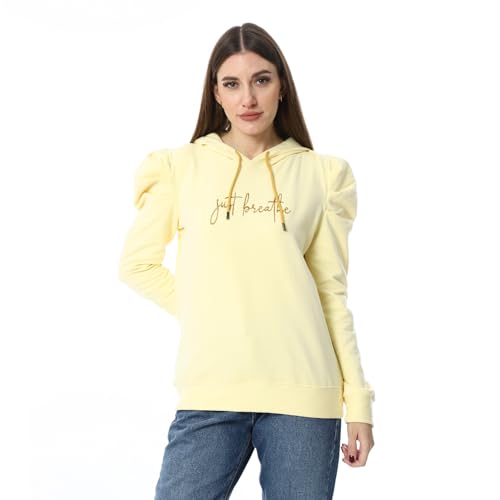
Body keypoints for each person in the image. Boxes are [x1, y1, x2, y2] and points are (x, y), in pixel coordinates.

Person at [118, 22, 375, 500]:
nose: (248, 99)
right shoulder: (180, 168)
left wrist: (358, 401)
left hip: (304, 393)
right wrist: (207, 311)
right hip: (212, 388)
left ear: (282, 86)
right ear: (216, 93)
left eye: (261, 80)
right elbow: (137, 265)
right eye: (232, 84)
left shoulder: (322, 176)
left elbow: (330, 293)